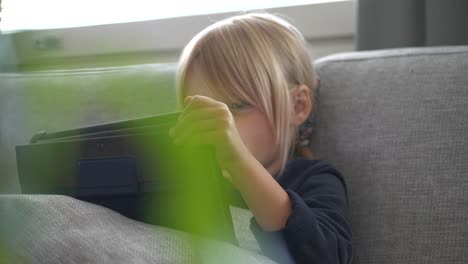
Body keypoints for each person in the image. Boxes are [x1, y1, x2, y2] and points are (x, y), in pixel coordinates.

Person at [169, 12, 352, 264]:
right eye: (201, 111)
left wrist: (237, 160)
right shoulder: (192, 184)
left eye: (237, 105)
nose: (218, 123)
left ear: (297, 106)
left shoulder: (314, 178)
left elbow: (326, 257)